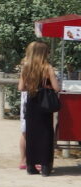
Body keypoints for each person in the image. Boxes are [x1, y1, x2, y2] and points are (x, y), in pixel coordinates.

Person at [18, 40, 60, 177]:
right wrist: (46, 86)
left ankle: (31, 166)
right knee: (46, 134)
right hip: (44, 104)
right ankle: (46, 166)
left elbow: (21, 87)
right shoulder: (48, 68)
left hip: (32, 101)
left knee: (32, 134)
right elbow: (56, 88)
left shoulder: (26, 67)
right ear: (43, 53)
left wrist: (33, 87)